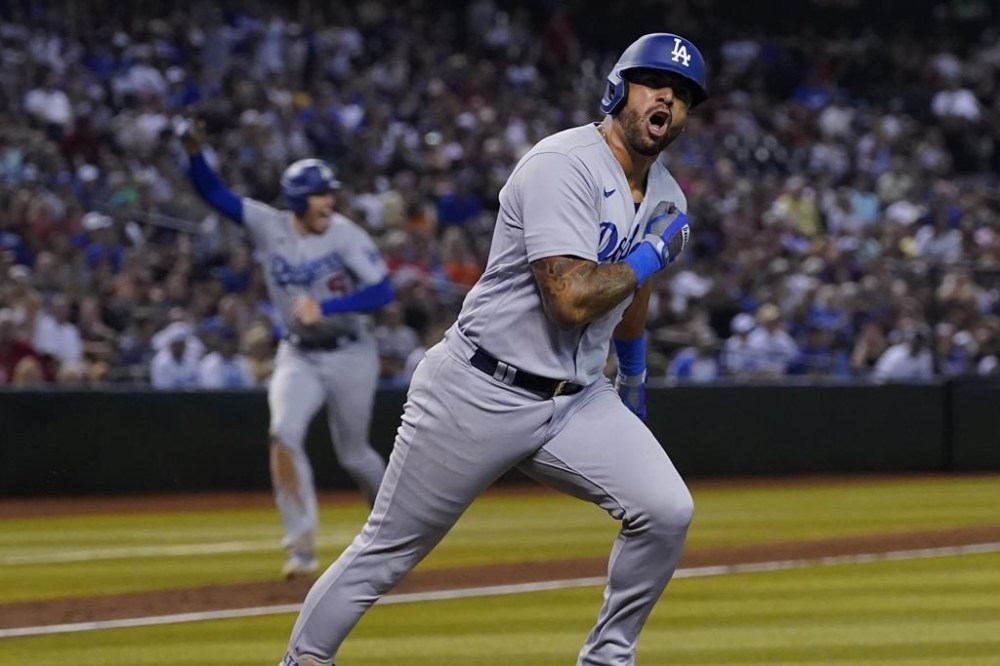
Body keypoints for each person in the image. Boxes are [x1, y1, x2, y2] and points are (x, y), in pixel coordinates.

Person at [280, 31, 706, 666]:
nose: (665, 100)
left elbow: (629, 294)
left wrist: (634, 375)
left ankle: (607, 658)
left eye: (681, 94)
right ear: (619, 89)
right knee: (387, 552)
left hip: (576, 400)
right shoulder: (563, 164)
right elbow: (570, 297)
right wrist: (649, 255)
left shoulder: (667, 193)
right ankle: (303, 661)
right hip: (478, 387)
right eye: (654, 84)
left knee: (667, 509)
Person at [179, 124, 395, 579]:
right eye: (319, 195)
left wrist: (328, 306)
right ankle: (300, 548)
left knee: (355, 455)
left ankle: (396, 535)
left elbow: (382, 292)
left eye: (329, 193)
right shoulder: (269, 225)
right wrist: (196, 152)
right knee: (283, 433)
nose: (328, 201)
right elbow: (214, 193)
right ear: (297, 200)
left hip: (350, 351)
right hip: (298, 354)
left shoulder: (346, 235)